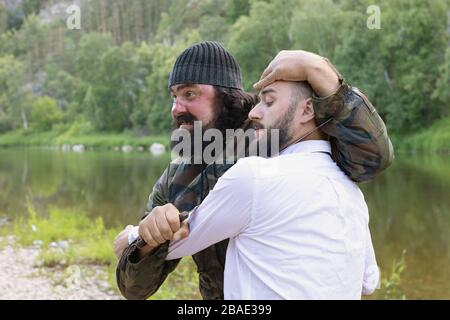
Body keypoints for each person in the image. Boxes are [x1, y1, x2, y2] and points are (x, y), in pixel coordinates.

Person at [115, 41, 394, 300]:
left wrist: (319, 70)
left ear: (226, 96)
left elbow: (371, 158)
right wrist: (144, 243)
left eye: (190, 94)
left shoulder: (275, 136)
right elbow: (135, 288)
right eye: (174, 97)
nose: (177, 108)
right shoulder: (177, 179)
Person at [163, 79, 379, 299]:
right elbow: (368, 281)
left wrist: (129, 237)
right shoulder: (352, 193)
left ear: (306, 110)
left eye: (268, 101)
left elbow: (168, 246)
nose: (253, 113)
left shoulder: (253, 176)